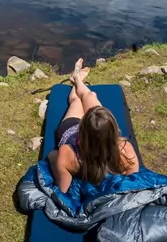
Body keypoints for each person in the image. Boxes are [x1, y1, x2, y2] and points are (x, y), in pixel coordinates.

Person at [48, 58, 139, 193]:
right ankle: (78, 79)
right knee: (91, 96)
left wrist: (53, 160)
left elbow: (64, 192)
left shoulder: (67, 154)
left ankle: (77, 78)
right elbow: (133, 184)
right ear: (113, 130)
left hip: (70, 132)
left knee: (77, 100)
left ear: (82, 129)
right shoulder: (125, 151)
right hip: (96, 131)